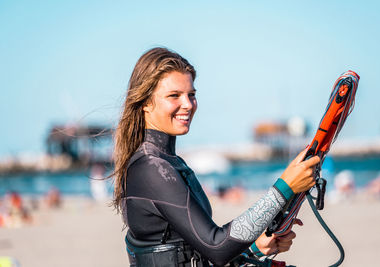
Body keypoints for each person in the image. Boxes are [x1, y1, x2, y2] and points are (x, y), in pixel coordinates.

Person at [112, 47, 320, 266]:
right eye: (174, 95)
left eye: (191, 94)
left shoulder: (168, 162)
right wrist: (284, 187)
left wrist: (255, 249)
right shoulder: (151, 168)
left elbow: (203, 252)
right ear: (145, 102)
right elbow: (216, 247)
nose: (188, 104)